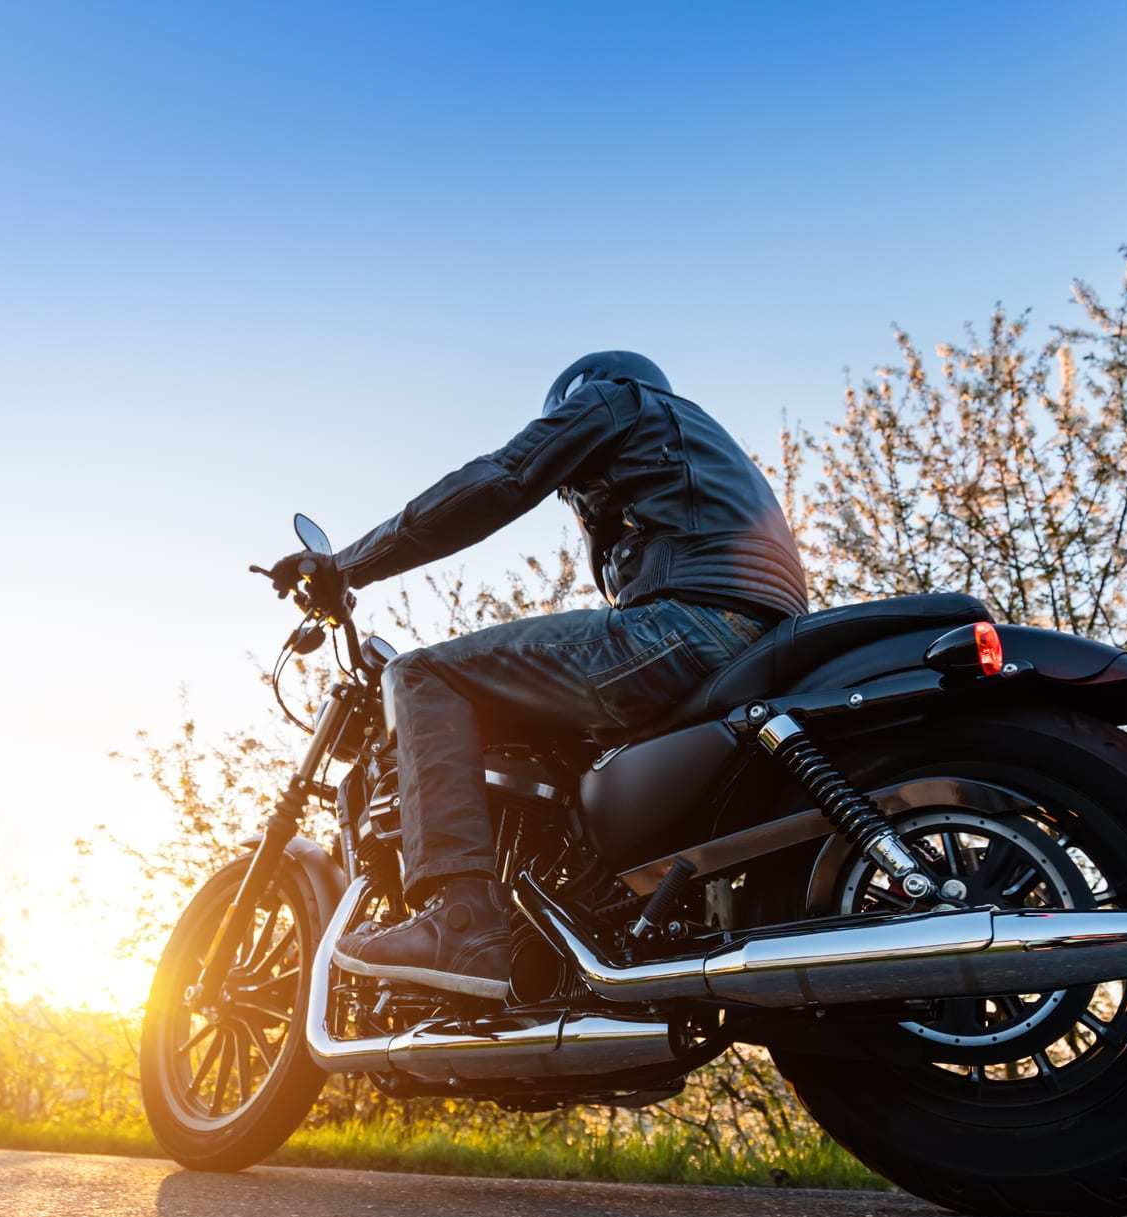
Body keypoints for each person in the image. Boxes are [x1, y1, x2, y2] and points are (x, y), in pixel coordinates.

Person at [266, 351, 808, 998]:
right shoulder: (698, 452)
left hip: (686, 626)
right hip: (749, 640)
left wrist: (347, 565)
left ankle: (462, 920)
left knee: (422, 676)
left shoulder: (615, 400)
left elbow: (499, 479)